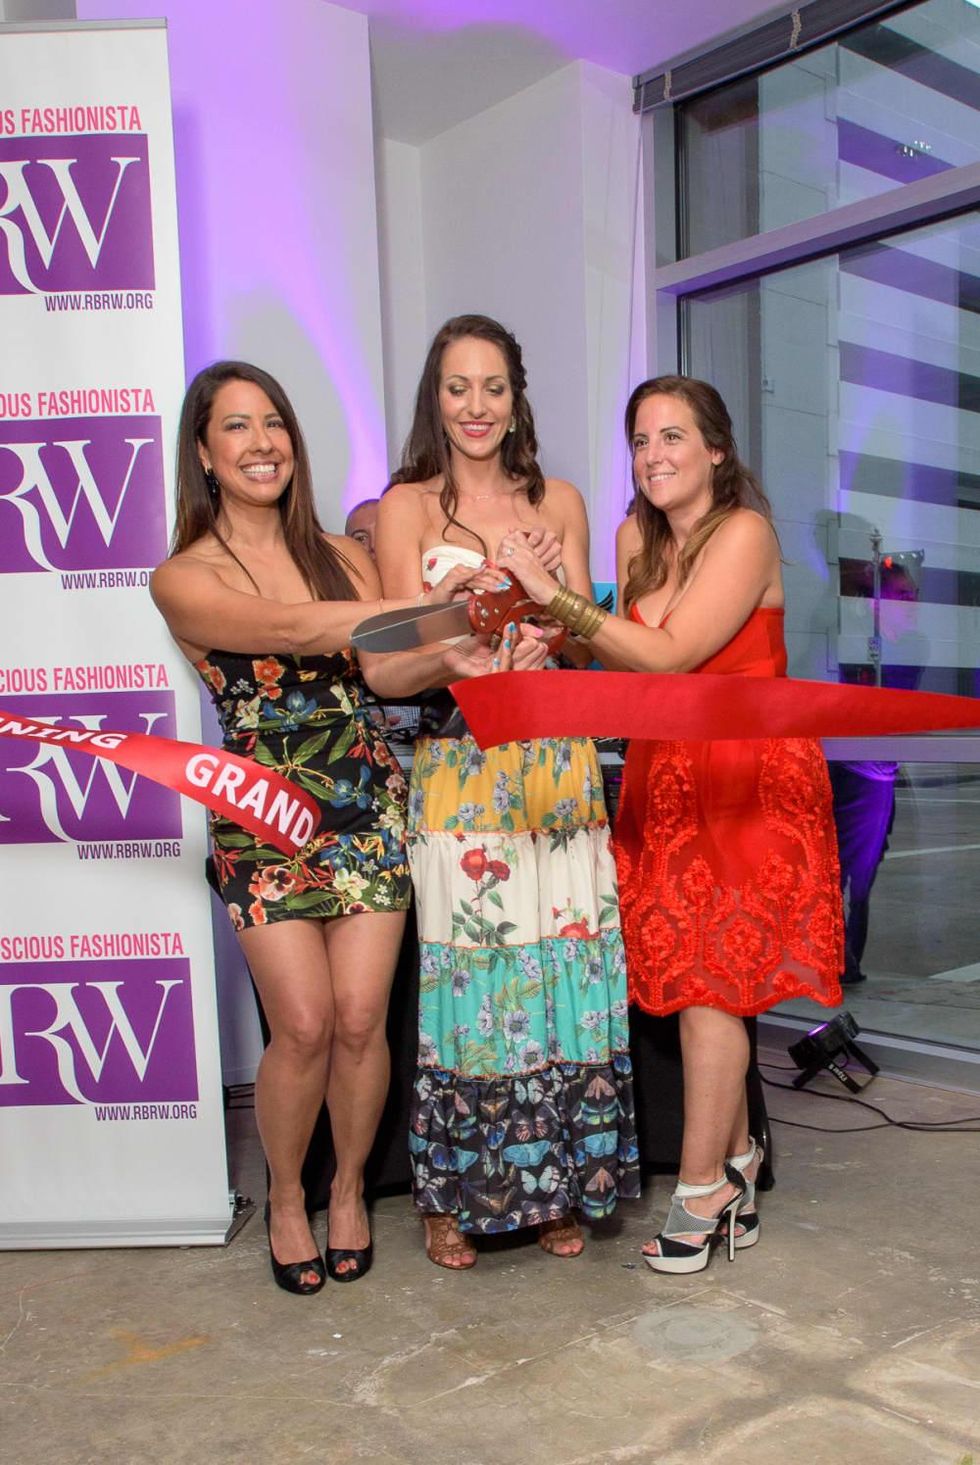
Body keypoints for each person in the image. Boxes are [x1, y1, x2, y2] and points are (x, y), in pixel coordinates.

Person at [151, 360, 543, 1294]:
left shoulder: (347, 552)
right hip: (265, 816)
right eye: (237, 427)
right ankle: (287, 1194)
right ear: (204, 453)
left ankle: (350, 1191)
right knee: (305, 1023)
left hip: (367, 799)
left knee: (363, 1022)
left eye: (273, 423)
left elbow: (390, 674)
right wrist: (444, 606)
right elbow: (290, 630)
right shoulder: (181, 576)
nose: (261, 443)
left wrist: (477, 648)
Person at [498, 374, 843, 1275]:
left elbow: (674, 652)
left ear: (717, 451)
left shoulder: (745, 533)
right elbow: (617, 662)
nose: (653, 455)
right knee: (696, 975)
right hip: (666, 774)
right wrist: (546, 615)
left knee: (712, 987)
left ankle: (700, 1189)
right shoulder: (635, 538)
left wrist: (561, 597)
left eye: (673, 437)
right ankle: (738, 1166)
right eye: (641, 440)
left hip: (745, 774)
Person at [376, 314, 640, 1270]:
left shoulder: (560, 499)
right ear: (435, 399)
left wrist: (555, 611)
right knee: (473, 978)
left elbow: (585, 647)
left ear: (516, 396)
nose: (476, 406)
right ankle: (452, 1195)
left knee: (560, 973)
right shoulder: (404, 507)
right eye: (458, 387)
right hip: (459, 770)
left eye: (493, 386)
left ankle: (553, 1182)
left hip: (554, 765)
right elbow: (384, 672)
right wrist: (456, 649)